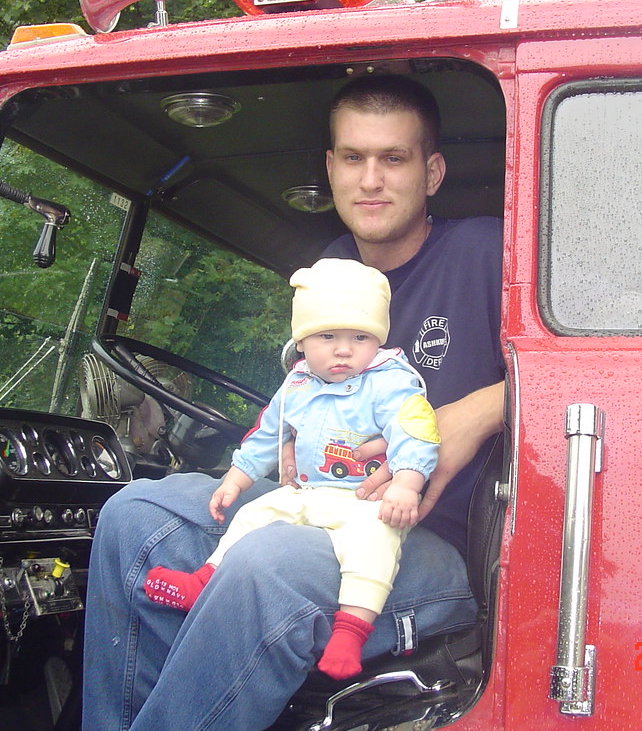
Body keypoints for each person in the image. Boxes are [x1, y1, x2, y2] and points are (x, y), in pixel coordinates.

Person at [82, 74, 505, 731]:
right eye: (355, 158)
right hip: (316, 508)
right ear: (331, 168)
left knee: (270, 560)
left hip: (426, 544)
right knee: (135, 514)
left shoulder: (484, 251)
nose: (372, 179)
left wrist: (477, 412)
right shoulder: (332, 268)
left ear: (433, 171)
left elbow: (612, 357)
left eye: (394, 158)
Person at [143, 257, 441, 680]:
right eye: (326, 336)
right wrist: (235, 478)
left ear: (378, 339)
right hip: (307, 492)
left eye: (360, 336)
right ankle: (205, 580)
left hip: (366, 500)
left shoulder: (391, 382)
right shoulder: (297, 384)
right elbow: (267, 433)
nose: (343, 349)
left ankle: (351, 631)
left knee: (375, 546)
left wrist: (407, 485)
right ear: (300, 343)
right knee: (252, 514)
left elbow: (417, 434)